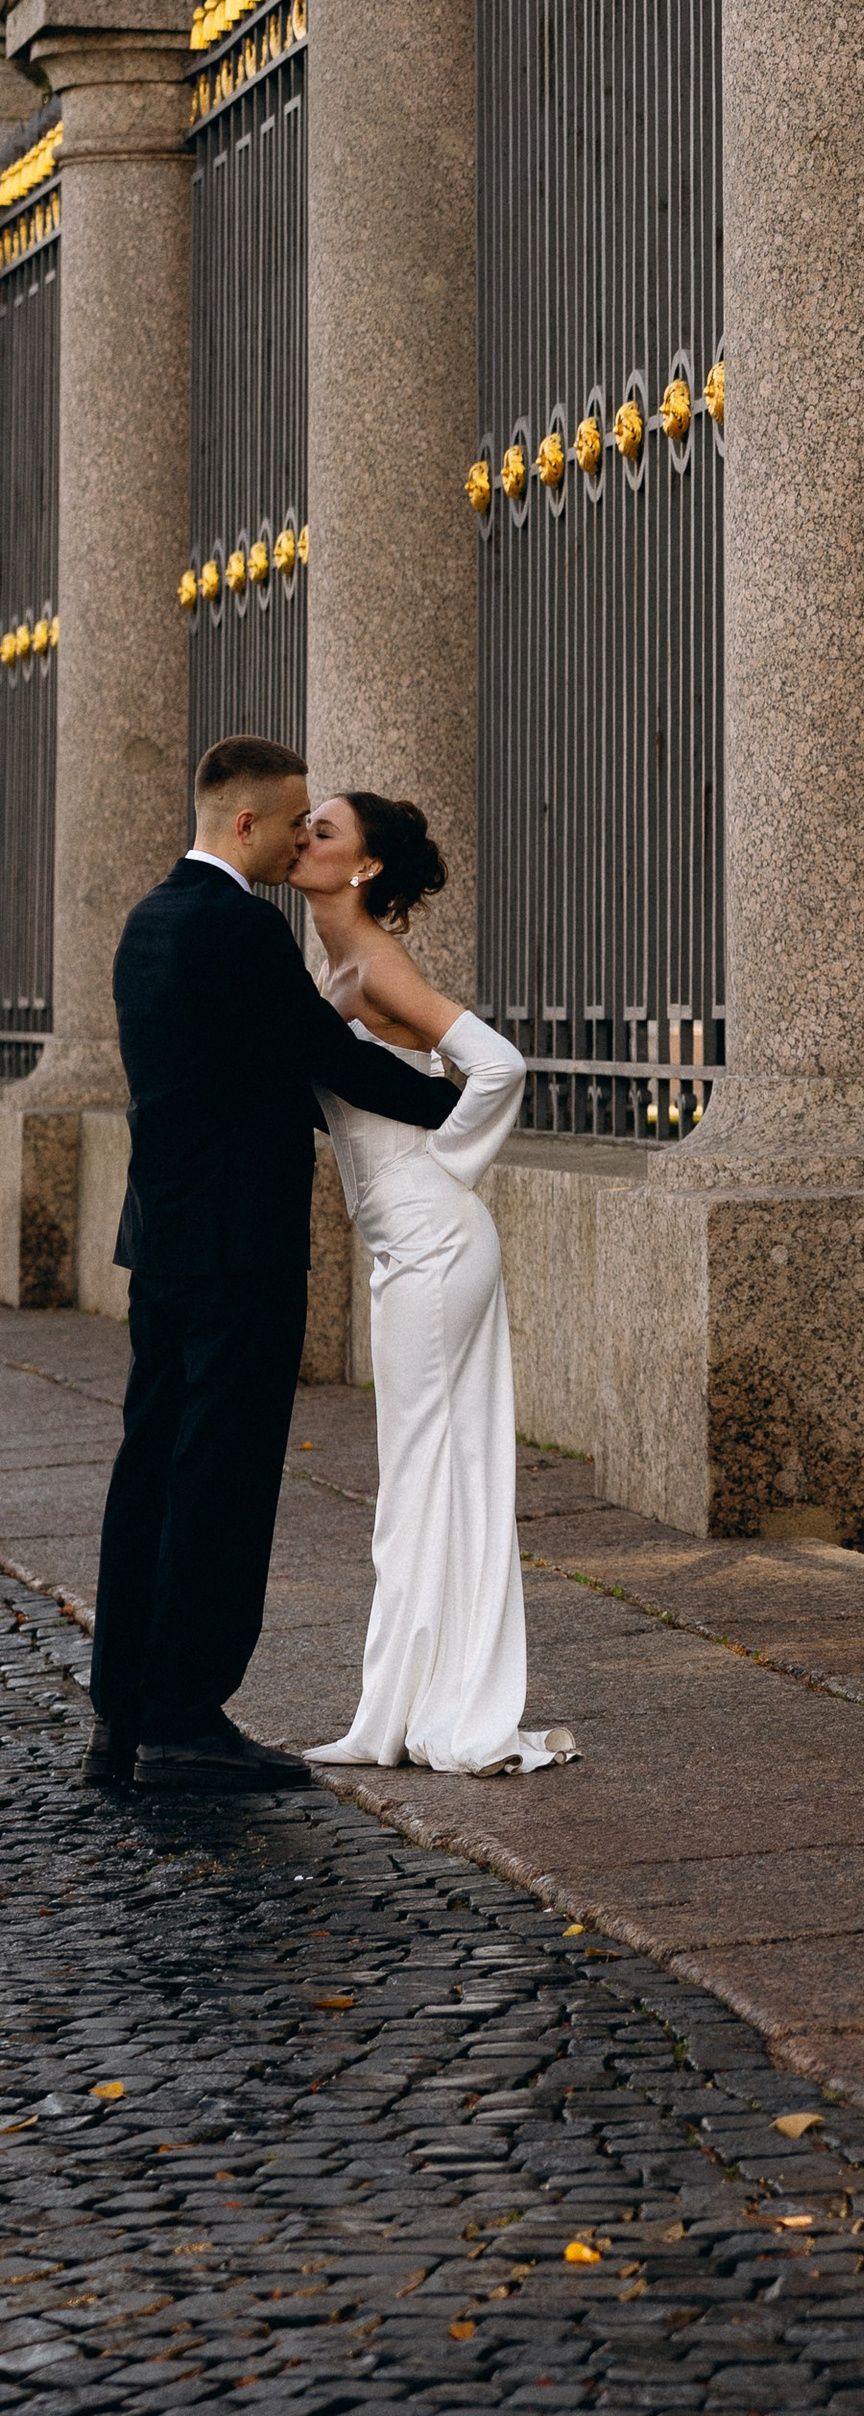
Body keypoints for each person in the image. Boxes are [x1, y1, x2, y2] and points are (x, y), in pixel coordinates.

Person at [89, 734, 462, 1796]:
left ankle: (120, 1713)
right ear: (243, 825)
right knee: (223, 1475)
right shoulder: (238, 928)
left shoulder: (150, 922)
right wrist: (463, 1104)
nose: (304, 835)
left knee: (149, 1470)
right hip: (239, 1250)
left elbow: (240, 1070)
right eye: (294, 821)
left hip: (161, 1242)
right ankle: (189, 1718)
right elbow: (328, 1060)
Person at [288, 791, 572, 1778]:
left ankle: (420, 1718)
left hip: (432, 1236)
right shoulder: (336, 964)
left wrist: (446, 1169)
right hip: (406, 1240)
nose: (302, 838)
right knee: (426, 1474)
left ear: (362, 868)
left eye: (324, 831)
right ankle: (407, 1712)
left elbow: (497, 1063)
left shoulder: (376, 962)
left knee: (420, 1475)